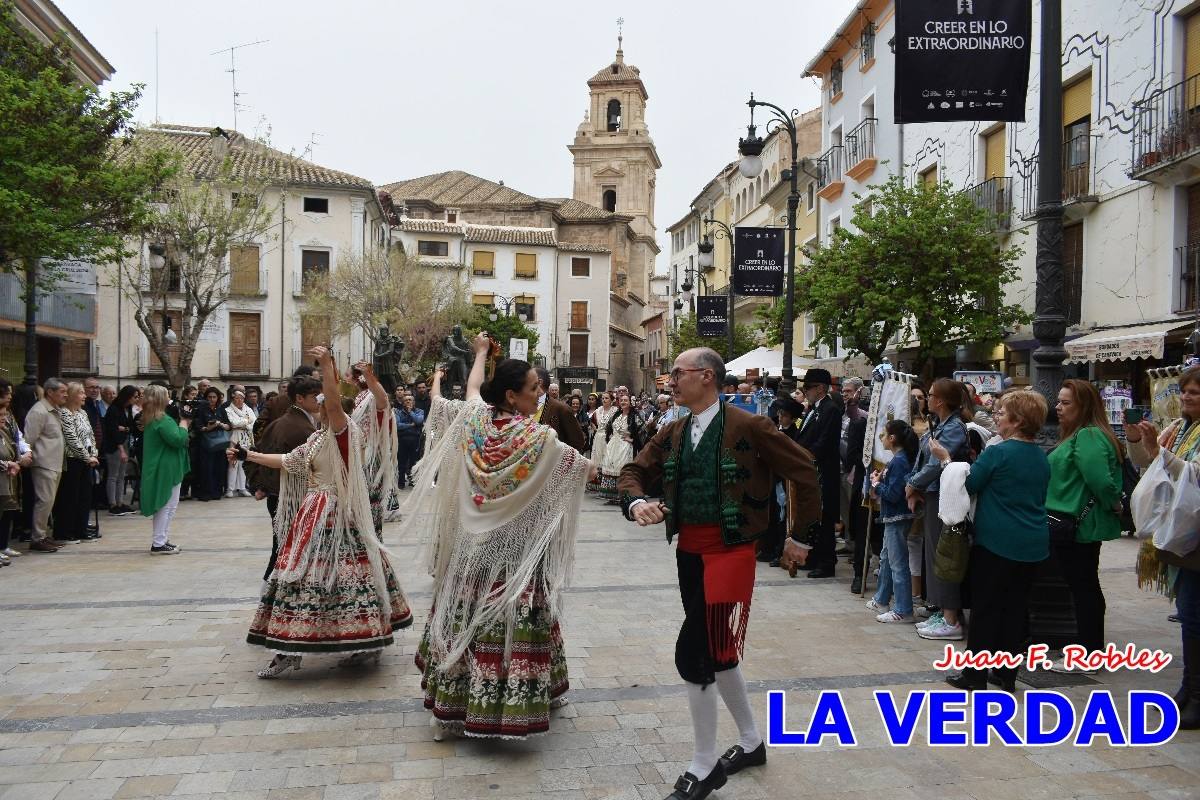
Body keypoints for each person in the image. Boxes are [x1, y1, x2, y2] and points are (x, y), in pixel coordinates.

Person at [618, 348, 820, 800]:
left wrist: (800, 537)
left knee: (694, 652)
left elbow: (804, 469)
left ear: (706, 376)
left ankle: (704, 765)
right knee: (719, 648)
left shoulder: (749, 425)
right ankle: (751, 743)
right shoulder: (674, 430)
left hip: (730, 553)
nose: (670, 379)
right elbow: (632, 471)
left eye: (678, 372)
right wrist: (636, 501)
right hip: (688, 552)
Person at [407, 335, 594, 739]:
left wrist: (479, 354)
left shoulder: (473, 421)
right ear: (512, 396)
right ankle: (509, 705)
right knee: (510, 624)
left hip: (469, 555)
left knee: (463, 623)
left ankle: (450, 710)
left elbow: (473, 389)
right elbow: (585, 470)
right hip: (513, 558)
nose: (539, 395)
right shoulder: (537, 439)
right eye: (534, 389)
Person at [239, 346, 412, 677]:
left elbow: (336, 403)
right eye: (319, 405)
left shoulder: (344, 434)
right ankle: (290, 645)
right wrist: (249, 455)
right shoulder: (318, 440)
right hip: (313, 514)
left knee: (346, 576)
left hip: (339, 514)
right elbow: (290, 461)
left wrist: (328, 366)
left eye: (325, 405)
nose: (320, 408)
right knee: (301, 576)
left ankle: (362, 641)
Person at [928, 390, 1050, 691]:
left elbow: (969, 484)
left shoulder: (999, 452)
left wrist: (945, 460)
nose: (997, 417)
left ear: (1017, 421)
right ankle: (1006, 673)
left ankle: (974, 674)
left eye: (1002, 412)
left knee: (985, 608)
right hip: (1033, 542)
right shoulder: (1040, 455)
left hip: (997, 541)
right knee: (1015, 609)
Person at [1126, 366, 1200, 729]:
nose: (1186, 397)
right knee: (1189, 615)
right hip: (1182, 533)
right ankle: (1189, 688)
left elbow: (1194, 474)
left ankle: (1196, 695)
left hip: (1196, 535)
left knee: (1194, 615)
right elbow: (1148, 466)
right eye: (1184, 391)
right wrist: (1136, 440)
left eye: (1195, 393)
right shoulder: (1182, 427)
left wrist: (1158, 451)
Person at [1045, 378, 1124, 671]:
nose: (1059, 408)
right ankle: (1089, 650)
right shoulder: (1080, 434)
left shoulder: (1089, 435)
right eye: (1059, 402)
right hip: (1076, 523)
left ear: (1084, 406)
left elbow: (1100, 479)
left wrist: (1113, 502)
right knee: (1084, 585)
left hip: (1079, 524)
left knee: (1084, 587)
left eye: (1066, 403)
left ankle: (1090, 654)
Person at [906, 378, 971, 641]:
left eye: (930, 395)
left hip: (946, 497)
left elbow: (936, 464)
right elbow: (923, 459)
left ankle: (950, 617)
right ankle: (942, 611)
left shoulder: (954, 428)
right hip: (932, 494)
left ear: (941, 400)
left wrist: (912, 483)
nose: (927, 398)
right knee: (934, 554)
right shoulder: (940, 425)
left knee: (944, 556)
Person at [245, 375, 321, 581]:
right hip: (289, 496)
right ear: (299, 398)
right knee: (285, 546)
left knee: (282, 545)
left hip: (280, 494)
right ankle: (272, 588)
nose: (320, 399)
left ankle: (272, 585)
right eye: (315, 396)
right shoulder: (301, 428)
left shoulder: (288, 421)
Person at [867, 420, 919, 622]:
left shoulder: (899, 461)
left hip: (897, 516)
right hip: (893, 517)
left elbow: (894, 493)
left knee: (897, 563)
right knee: (887, 559)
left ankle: (903, 609)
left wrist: (876, 485)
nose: (881, 438)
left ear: (892, 438)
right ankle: (881, 598)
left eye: (884, 434)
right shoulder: (898, 459)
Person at [796, 368, 843, 579]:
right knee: (814, 517)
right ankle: (814, 557)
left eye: (808, 387)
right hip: (811, 471)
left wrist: (805, 455)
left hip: (823, 471)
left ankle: (826, 562)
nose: (805, 391)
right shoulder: (814, 409)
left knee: (824, 518)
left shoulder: (830, 409)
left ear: (821, 388)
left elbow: (824, 442)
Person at [138, 385, 190, 555]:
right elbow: (178, 440)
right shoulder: (162, 419)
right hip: (165, 468)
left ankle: (162, 539)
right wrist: (184, 422)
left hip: (165, 466)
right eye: (167, 395)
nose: (170, 398)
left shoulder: (154, 418)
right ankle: (159, 542)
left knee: (169, 505)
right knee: (165, 505)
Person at [350, 361, 397, 538]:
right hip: (355, 455)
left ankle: (373, 545)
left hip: (369, 458)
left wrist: (369, 376)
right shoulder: (357, 398)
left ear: (356, 379)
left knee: (370, 505)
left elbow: (383, 400)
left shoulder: (372, 396)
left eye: (349, 375)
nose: (346, 379)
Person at [23, 378, 68, 553]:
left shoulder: (54, 411)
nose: (65, 395)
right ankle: (37, 538)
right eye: (62, 391)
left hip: (55, 462)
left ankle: (43, 534)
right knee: (44, 501)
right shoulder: (39, 412)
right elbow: (28, 439)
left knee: (49, 501)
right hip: (44, 463)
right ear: (50, 392)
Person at [54, 382, 100, 543]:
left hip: (87, 460)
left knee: (84, 496)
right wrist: (87, 456)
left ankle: (81, 529)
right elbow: (71, 438)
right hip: (73, 459)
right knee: (70, 497)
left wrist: (94, 453)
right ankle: (66, 531)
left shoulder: (83, 413)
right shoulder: (65, 414)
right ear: (73, 395)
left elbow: (90, 435)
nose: (84, 396)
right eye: (81, 393)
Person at [102, 386, 139, 515]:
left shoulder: (127, 409)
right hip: (114, 446)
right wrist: (121, 449)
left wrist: (125, 429)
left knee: (122, 475)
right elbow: (112, 430)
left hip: (124, 442)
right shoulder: (114, 409)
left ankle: (120, 502)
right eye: (134, 396)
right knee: (113, 475)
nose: (136, 399)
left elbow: (131, 427)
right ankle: (112, 504)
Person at [599, 393, 641, 504]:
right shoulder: (617, 415)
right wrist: (610, 437)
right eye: (621, 400)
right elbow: (609, 428)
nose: (623, 402)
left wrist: (632, 440)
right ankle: (612, 496)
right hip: (613, 445)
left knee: (622, 468)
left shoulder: (635, 416)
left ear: (630, 402)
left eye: (625, 400)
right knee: (610, 465)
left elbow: (643, 431)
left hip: (625, 446)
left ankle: (623, 495)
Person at [534, 367, 587, 452]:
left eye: (526, 379)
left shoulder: (561, 408)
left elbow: (577, 441)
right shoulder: (522, 406)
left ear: (539, 382)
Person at [192, 387, 230, 501]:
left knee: (219, 467)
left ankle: (217, 492)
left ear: (218, 398)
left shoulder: (221, 409)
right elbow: (198, 427)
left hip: (220, 443)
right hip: (206, 443)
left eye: (214, 397)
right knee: (206, 468)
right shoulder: (201, 409)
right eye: (209, 397)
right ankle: (205, 493)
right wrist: (209, 427)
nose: (212, 399)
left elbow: (229, 425)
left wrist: (221, 425)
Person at [0, 402, 25, 567]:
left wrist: (15, 462)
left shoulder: (4, 432)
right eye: (1, 416)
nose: (4, 419)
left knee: (5, 513)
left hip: (7, 477)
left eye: (4, 415)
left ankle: (3, 546)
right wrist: (8, 464)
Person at [224, 390, 257, 497]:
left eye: (241, 398)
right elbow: (233, 423)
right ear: (233, 399)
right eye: (237, 398)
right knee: (233, 463)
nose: (239, 400)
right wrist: (247, 421)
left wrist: (243, 423)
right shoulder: (228, 409)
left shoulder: (248, 409)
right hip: (235, 438)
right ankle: (230, 489)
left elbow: (254, 422)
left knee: (244, 463)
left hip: (247, 438)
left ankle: (242, 488)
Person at [588, 392, 617, 494]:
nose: (604, 400)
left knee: (607, 458)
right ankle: (596, 483)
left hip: (609, 437)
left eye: (607, 398)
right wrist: (595, 428)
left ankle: (606, 484)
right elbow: (591, 422)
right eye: (603, 398)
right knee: (597, 458)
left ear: (611, 400)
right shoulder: (598, 410)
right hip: (598, 437)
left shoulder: (615, 411)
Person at [394, 394, 425, 488]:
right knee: (401, 462)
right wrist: (411, 425)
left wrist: (410, 411)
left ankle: (412, 480)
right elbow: (397, 426)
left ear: (414, 402)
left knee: (413, 461)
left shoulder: (420, 411)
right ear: (403, 403)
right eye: (406, 400)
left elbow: (419, 421)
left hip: (415, 439)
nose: (408, 401)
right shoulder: (398, 412)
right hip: (402, 440)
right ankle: (401, 481)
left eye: (410, 400)